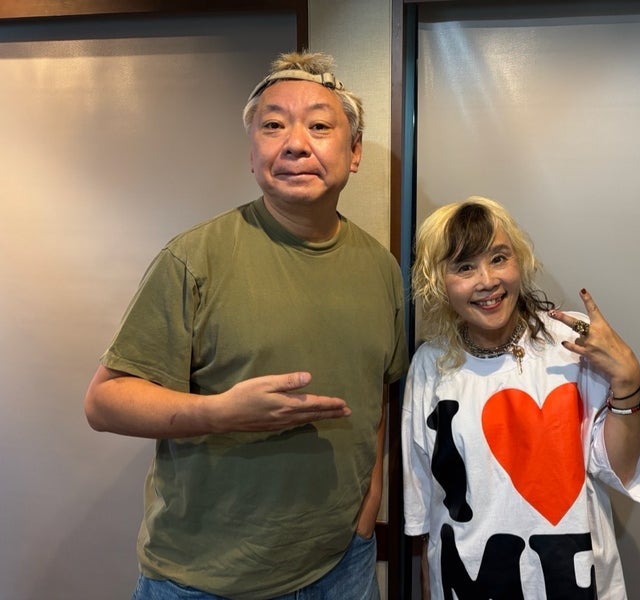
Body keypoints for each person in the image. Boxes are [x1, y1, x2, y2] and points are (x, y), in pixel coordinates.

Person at [84, 51, 408, 600]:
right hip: (204, 578)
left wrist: (371, 499)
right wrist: (221, 413)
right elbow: (104, 402)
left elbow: (377, 391)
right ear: (252, 152)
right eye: (274, 125)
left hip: (341, 564)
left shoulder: (380, 267)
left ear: (354, 152)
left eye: (320, 126)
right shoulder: (194, 259)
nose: (296, 144)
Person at [402, 196, 640, 599]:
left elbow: (621, 467)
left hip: (574, 579)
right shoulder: (430, 363)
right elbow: (422, 494)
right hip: (469, 580)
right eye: (464, 267)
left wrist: (627, 381)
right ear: (438, 281)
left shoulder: (573, 342)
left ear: (520, 260)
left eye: (499, 258)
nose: (487, 281)